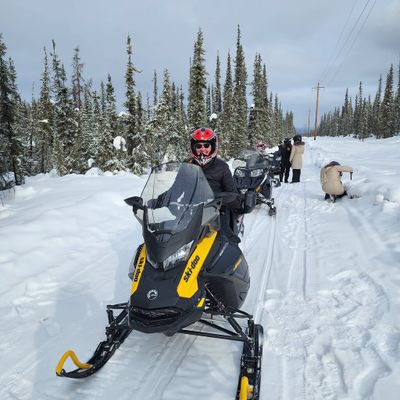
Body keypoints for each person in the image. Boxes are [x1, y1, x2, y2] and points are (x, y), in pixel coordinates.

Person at [189, 127, 243, 242]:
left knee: (225, 239)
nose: (202, 149)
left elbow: (233, 193)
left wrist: (219, 197)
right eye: (198, 146)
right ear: (194, 147)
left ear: (213, 146)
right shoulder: (188, 166)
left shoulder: (222, 167)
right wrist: (158, 200)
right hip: (192, 209)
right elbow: (176, 188)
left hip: (217, 210)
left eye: (206, 145)